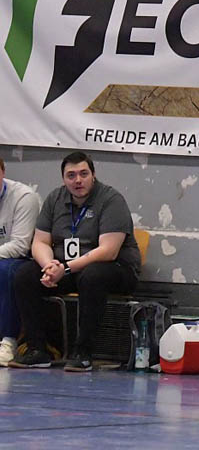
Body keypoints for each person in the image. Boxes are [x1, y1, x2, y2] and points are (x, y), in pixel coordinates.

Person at [9, 151, 141, 371]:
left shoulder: (111, 199)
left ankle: (83, 352)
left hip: (115, 269)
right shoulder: (55, 199)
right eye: (71, 175)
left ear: (93, 175)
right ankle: (37, 350)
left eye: (83, 174)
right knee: (25, 275)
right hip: (68, 268)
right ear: (64, 179)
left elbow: (108, 251)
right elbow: (40, 242)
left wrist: (66, 268)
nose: (78, 180)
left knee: (92, 276)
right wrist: (49, 266)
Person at [0, 156, 40, 366]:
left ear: (3, 171)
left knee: (4, 270)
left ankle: (8, 340)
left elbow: (20, 245)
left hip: (21, 260)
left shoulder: (24, 197)